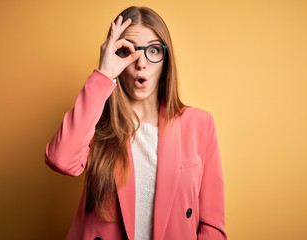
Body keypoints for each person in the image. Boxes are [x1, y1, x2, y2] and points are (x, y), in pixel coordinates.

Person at [45, 6, 227, 240]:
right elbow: (60, 160)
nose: (141, 63)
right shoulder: (96, 123)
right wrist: (104, 75)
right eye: (127, 51)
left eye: (153, 50)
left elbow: (212, 227)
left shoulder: (200, 124)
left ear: (166, 60)